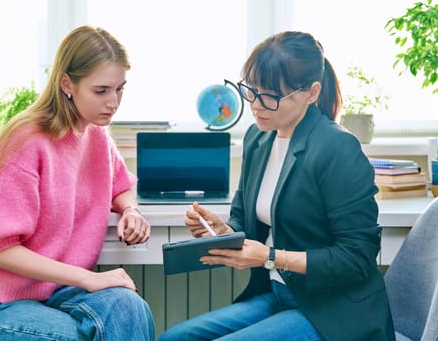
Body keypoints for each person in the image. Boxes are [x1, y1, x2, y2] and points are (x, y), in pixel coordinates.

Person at [159, 31, 395, 341]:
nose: (256, 105)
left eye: (269, 96)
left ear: (311, 93)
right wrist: (222, 231)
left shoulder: (338, 148)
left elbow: (356, 258)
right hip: (276, 293)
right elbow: (245, 223)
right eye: (251, 91)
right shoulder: (258, 138)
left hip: (332, 310)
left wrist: (270, 257)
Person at [0, 25, 155, 341]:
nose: (113, 102)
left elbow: (120, 184)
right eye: (101, 91)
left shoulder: (94, 134)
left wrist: (132, 211)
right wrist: (88, 279)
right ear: (66, 84)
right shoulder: (28, 141)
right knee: (81, 335)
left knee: (129, 307)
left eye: (120, 89)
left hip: (54, 294)